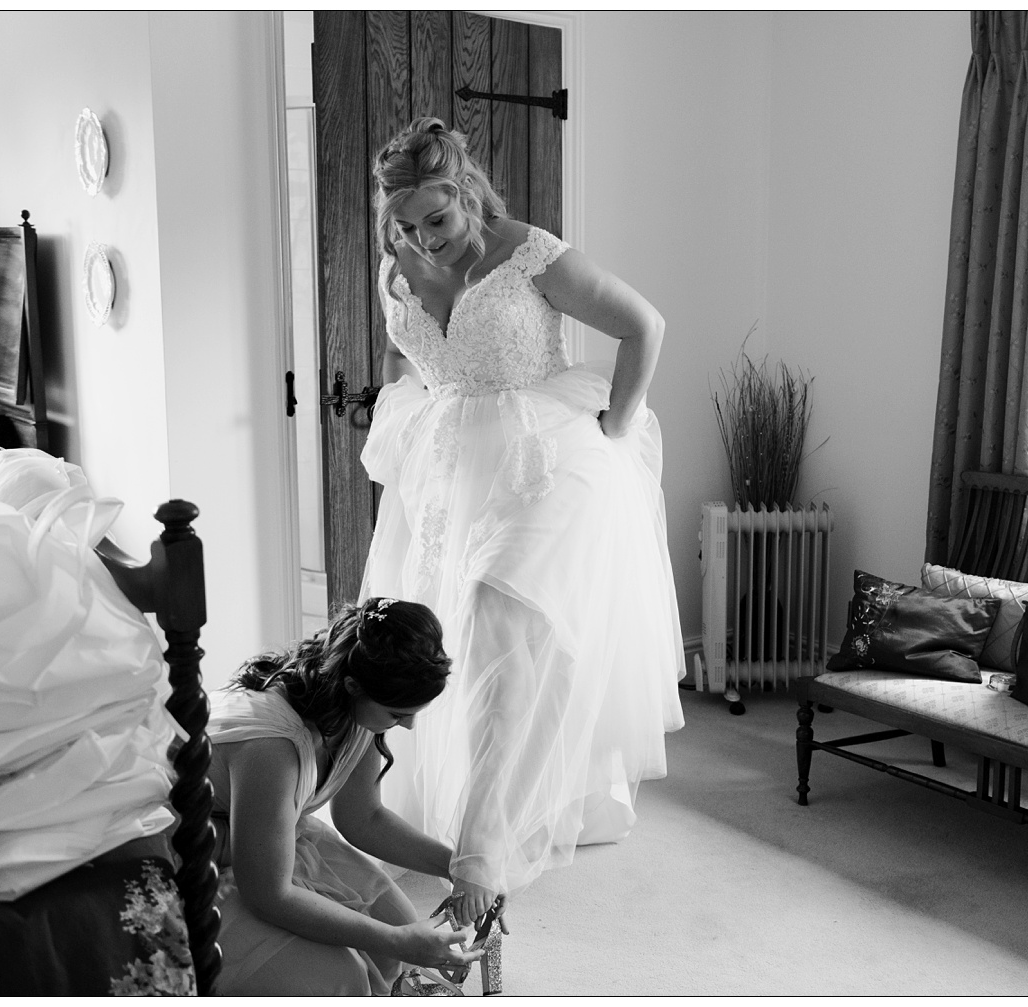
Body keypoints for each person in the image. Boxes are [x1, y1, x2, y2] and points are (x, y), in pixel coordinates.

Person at [358, 116, 686, 927]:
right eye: (404, 225)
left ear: (467, 192)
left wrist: (616, 426)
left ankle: (482, 845)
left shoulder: (532, 252)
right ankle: (477, 805)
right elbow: (404, 355)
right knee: (454, 639)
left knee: (508, 620)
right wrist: (408, 405)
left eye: (437, 219)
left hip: (546, 462)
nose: (424, 241)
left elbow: (644, 325)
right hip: (449, 471)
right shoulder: (396, 264)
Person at [208, 598, 486, 995]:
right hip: (199, 855)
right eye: (396, 713)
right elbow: (269, 893)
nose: (406, 725)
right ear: (354, 686)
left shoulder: (351, 704)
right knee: (343, 977)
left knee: (396, 937)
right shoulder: (272, 747)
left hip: (269, 838)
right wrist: (393, 939)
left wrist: (460, 868)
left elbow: (364, 818)